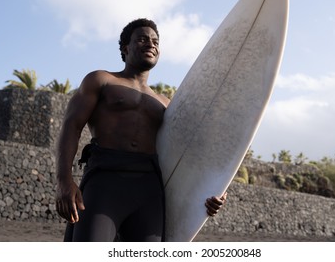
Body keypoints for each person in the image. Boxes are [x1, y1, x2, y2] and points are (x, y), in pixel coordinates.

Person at [55, 18, 227, 242]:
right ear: (126, 48)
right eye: (143, 39)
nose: (151, 44)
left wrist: (217, 190)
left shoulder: (166, 104)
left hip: (149, 189)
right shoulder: (101, 80)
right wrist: (63, 181)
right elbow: (71, 126)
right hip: (105, 180)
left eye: (156, 41)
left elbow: (192, 154)